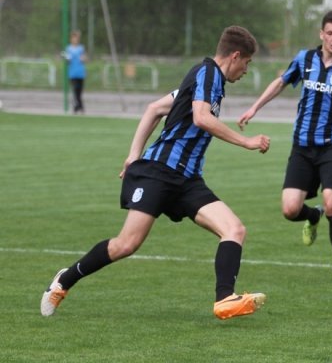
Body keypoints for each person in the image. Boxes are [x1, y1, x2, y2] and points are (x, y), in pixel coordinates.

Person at [41, 26, 271, 320]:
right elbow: (201, 118)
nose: (246, 70)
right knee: (127, 244)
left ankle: (225, 299)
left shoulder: (207, 82)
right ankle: (64, 280)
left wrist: (132, 155)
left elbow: (154, 108)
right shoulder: (207, 73)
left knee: (235, 229)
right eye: (247, 63)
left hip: (187, 179)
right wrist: (246, 142)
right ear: (235, 56)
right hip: (159, 172)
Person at [237, 10, 332, 286]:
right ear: (321, 34)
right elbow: (281, 82)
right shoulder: (305, 59)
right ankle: (312, 215)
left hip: (331, 147)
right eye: (330, 33)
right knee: (290, 209)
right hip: (302, 148)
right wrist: (254, 108)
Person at [63, 30, 87, 114]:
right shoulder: (68, 48)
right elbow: (68, 61)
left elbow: (84, 58)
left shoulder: (81, 48)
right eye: (73, 38)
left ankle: (77, 107)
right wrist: (67, 58)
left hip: (80, 72)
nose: (75, 40)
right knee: (75, 90)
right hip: (72, 73)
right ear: (71, 39)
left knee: (79, 91)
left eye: (76, 38)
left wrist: (83, 59)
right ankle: (79, 107)